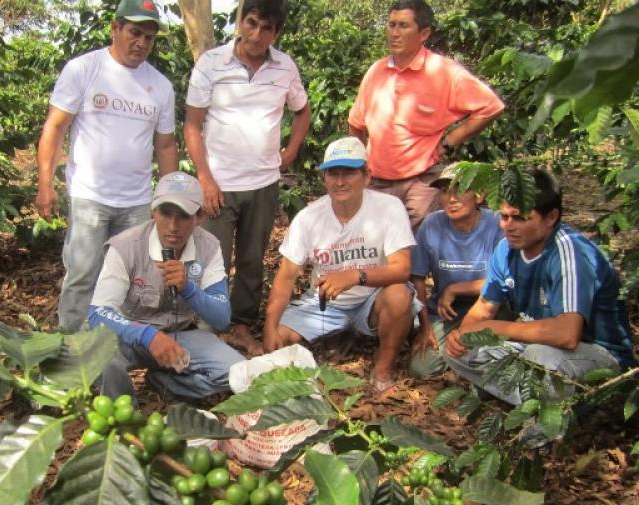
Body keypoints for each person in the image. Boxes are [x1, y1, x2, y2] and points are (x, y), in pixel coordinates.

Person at [35, 0, 178, 333]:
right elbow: (55, 127)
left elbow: (166, 144)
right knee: (83, 273)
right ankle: (71, 348)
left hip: (137, 201)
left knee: (130, 277)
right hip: (90, 195)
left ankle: (114, 348)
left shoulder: (160, 86)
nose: (141, 43)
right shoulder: (84, 69)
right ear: (115, 29)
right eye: (134, 33)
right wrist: (45, 184)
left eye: (149, 37)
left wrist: (169, 200)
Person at [444, 169, 636, 406]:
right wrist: (463, 337)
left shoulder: (569, 252)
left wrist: (493, 328)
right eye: (504, 217)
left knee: (537, 357)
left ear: (550, 217)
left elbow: (567, 335)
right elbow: (484, 306)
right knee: (458, 350)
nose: (508, 226)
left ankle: (549, 418)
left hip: (599, 354)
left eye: (520, 218)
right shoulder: (506, 249)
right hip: (537, 346)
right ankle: (540, 401)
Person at [184, 0, 311, 356]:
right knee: (213, 259)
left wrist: (292, 149)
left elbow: (302, 111)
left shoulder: (284, 67)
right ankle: (207, 330)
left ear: (277, 32)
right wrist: (205, 179)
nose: (256, 35)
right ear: (240, 20)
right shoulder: (211, 63)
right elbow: (192, 125)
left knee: (253, 260)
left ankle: (240, 326)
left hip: (263, 183)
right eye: (251, 23)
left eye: (266, 28)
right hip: (220, 185)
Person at [262, 137, 419, 394]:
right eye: (333, 174)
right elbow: (286, 276)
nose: (340, 181)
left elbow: (402, 268)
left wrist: (355, 276)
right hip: (324, 304)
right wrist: (270, 325)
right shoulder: (309, 217)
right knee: (279, 338)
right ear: (324, 178)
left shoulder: (388, 208)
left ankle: (383, 368)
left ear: (366, 176)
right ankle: (340, 334)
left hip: (372, 299)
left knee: (399, 294)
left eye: (349, 173)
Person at [88, 171, 244, 401]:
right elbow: (97, 313)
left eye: (183, 215)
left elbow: (221, 318)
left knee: (237, 371)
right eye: (165, 213)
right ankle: (127, 421)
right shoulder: (125, 247)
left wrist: (189, 289)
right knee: (101, 358)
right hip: (130, 336)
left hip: (179, 335)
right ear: (153, 211)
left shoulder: (208, 247)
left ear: (199, 217)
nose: (173, 226)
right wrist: (147, 335)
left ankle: (166, 382)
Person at [348, 0, 504, 229]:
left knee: (417, 243)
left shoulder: (443, 72)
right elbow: (356, 124)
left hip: (420, 180)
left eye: (403, 26)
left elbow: (490, 106)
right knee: (377, 244)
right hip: (378, 180)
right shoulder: (376, 71)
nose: (395, 33)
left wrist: (450, 141)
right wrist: (360, 167)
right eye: (391, 25)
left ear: (424, 33)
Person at [409, 163, 503, 378]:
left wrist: (457, 288)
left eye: (460, 189)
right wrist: (425, 327)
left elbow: (505, 280)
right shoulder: (432, 225)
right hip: (447, 314)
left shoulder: (497, 225)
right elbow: (418, 278)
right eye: (444, 191)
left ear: (479, 196)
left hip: (491, 309)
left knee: (493, 357)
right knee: (421, 368)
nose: (451, 199)